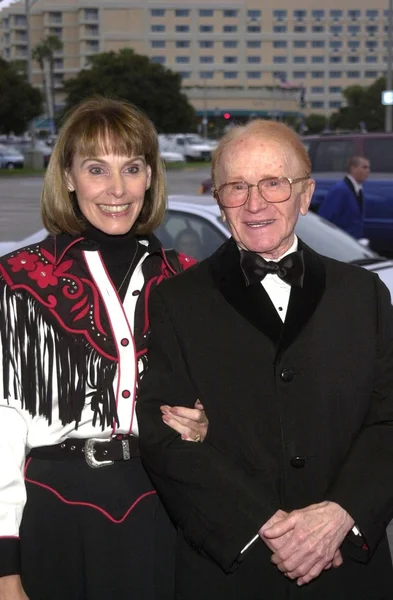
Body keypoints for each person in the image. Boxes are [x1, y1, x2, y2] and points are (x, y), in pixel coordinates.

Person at [137, 120, 393, 600]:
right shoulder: (176, 301)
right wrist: (265, 527)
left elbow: (389, 419)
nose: (255, 204)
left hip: (350, 570)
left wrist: (341, 514)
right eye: (236, 186)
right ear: (218, 198)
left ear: (306, 193)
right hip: (233, 572)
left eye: (274, 183)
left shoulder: (366, 295)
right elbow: (163, 435)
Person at [0, 97, 208, 600]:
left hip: (161, 512)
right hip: (53, 514)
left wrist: (206, 424)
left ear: (150, 178)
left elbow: (218, 400)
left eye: (132, 168)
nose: (117, 189)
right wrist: (6, 570)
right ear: (68, 177)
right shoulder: (18, 280)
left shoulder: (186, 277)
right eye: (97, 169)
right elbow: (3, 429)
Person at [318, 155, 370, 238]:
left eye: (368, 168)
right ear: (353, 168)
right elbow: (325, 219)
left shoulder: (358, 190)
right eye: (364, 167)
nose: (368, 171)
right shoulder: (340, 190)